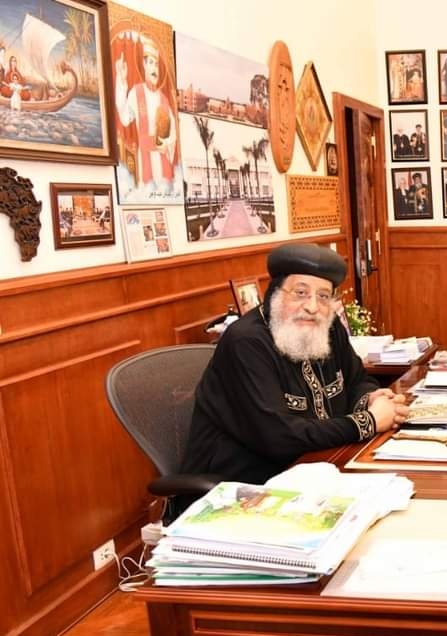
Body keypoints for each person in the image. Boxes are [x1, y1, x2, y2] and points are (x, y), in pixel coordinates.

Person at [180, 244, 410, 491]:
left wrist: (371, 398)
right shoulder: (246, 342)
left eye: (323, 296)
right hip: (247, 487)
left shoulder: (328, 327)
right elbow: (278, 436)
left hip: (320, 468)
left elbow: (357, 380)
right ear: (275, 293)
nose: (312, 307)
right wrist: (368, 421)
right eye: (301, 293)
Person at [114, 37, 178, 189]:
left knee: (164, 188)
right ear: (144, 65)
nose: (154, 69)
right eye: (150, 63)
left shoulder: (164, 99)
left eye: (156, 64)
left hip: (163, 158)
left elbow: (173, 133)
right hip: (144, 158)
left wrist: (167, 144)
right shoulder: (136, 93)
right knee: (148, 188)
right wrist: (121, 80)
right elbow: (124, 118)